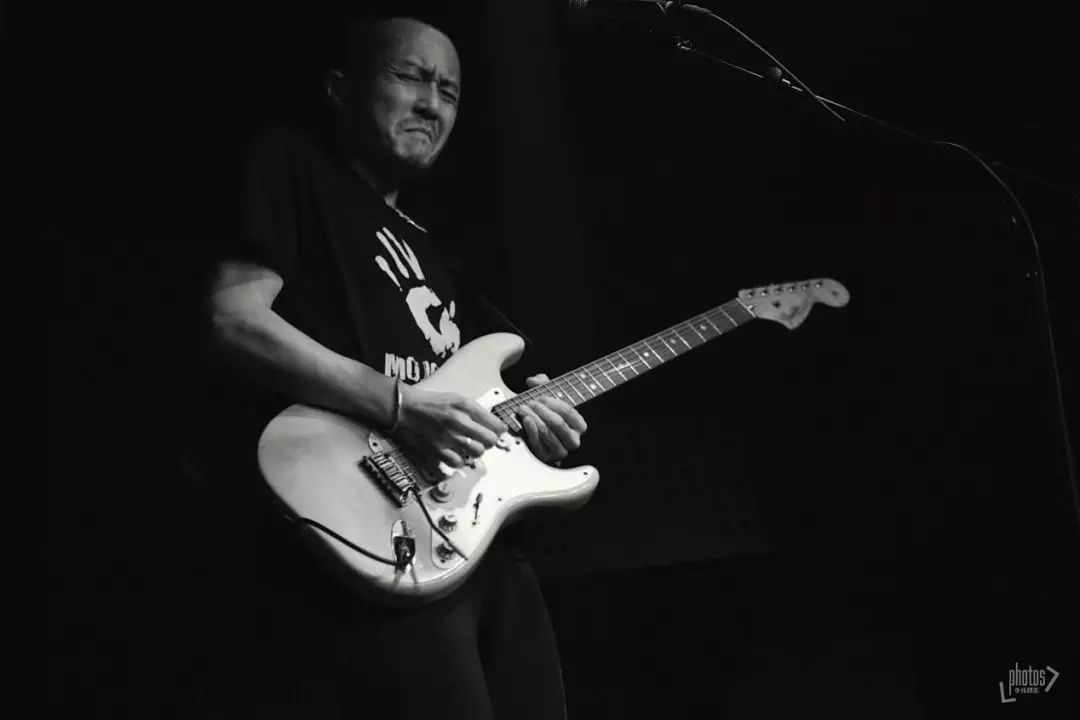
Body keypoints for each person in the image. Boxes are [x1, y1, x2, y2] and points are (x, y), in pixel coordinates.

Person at [206, 12, 586, 720]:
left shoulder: (441, 254)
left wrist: (536, 422)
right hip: (366, 527)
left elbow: (486, 400)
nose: (431, 104)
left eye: (449, 91)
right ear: (340, 89)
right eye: (410, 76)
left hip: (475, 535)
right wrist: (401, 405)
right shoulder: (293, 165)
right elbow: (235, 320)